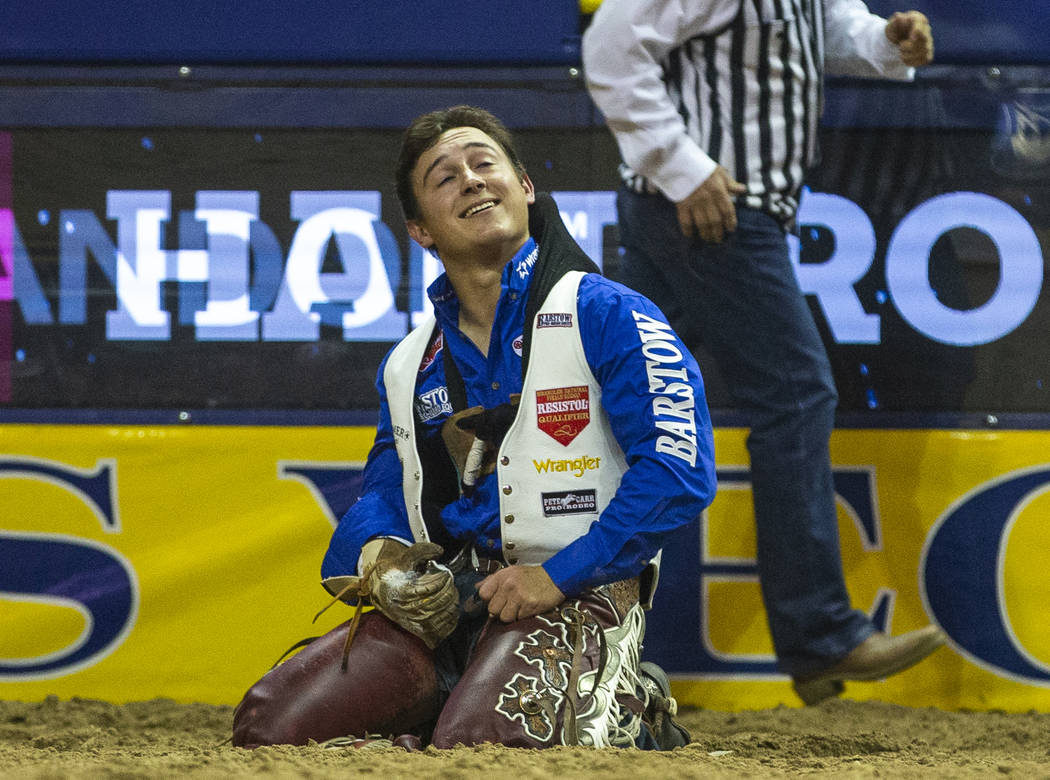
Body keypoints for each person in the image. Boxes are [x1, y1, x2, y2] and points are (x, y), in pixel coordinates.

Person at [231, 105, 716, 750]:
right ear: (419, 230)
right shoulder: (409, 365)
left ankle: (629, 708)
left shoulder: (609, 313)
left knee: (483, 745)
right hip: (448, 607)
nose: (471, 179)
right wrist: (382, 563)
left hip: (578, 590)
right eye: (444, 177)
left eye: (485, 164)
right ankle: (453, 711)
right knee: (271, 725)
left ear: (526, 189)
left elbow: (677, 469)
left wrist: (556, 577)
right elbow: (384, 489)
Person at [582, 1, 944, 704]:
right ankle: (821, 634)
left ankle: (542, 612)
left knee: (615, 405)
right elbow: (609, 45)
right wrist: (680, 165)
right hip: (715, 211)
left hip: (707, 210)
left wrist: (888, 42)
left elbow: (825, 30)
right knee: (797, 394)